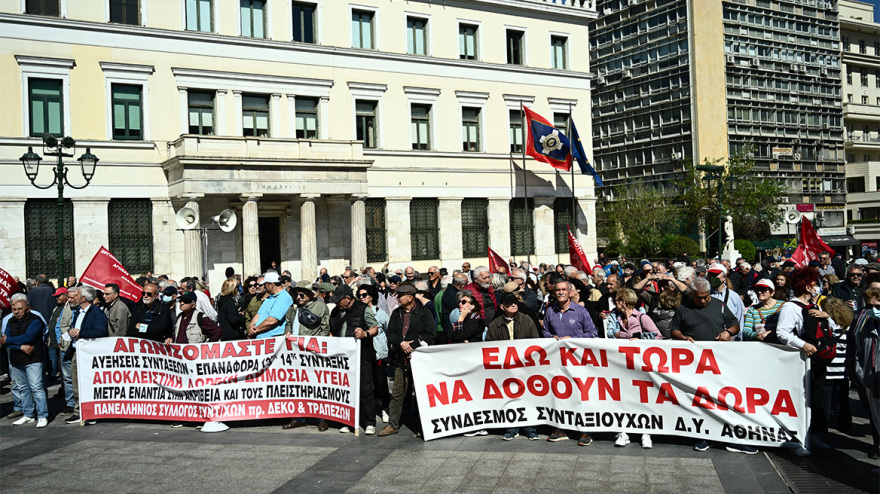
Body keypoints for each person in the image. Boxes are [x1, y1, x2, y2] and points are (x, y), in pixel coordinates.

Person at [670, 278, 755, 454]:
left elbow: (735, 324)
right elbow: (674, 329)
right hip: (696, 363)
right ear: (692, 294)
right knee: (702, 400)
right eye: (699, 298)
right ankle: (705, 436)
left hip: (719, 361)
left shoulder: (719, 305)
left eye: (706, 297)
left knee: (724, 398)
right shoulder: (683, 308)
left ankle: (730, 436)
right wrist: (683, 338)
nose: (703, 301)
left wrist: (728, 332)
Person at [776, 267, 835, 456]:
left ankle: (812, 435)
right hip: (801, 361)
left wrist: (828, 317)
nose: (817, 287)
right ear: (807, 286)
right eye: (815, 284)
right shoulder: (790, 307)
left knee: (814, 399)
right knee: (800, 400)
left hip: (817, 361)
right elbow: (782, 332)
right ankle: (799, 439)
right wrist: (802, 345)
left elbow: (833, 327)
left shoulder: (816, 307)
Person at [543, 279, 598, 445]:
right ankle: (560, 428)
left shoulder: (581, 311)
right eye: (557, 290)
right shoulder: (550, 311)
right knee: (560, 393)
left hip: (578, 361)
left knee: (581, 394)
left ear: (570, 292)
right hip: (558, 362)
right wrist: (550, 337)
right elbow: (544, 330)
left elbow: (593, 334)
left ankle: (585, 431)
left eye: (563, 290)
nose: (560, 292)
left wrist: (572, 339)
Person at [378, 283, 436, 437]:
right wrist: (400, 343)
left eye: (400, 295)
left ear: (410, 297)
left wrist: (413, 344)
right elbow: (390, 333)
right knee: (397, 392)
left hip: (419, 360)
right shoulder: (397, 313)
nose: (397, 298)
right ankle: (393, 424)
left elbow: (431, 334)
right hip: (400, 359)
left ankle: (421, 425)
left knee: (420, 394)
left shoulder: (424, 312)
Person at [606, 288, 661, 450]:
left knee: (643, 398)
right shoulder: (615, 316)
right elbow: (610, 333)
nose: (615, 303)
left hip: (640, 363)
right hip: (621, 362)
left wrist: (639, 338)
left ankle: (645, 433)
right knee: (623, 397)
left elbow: (657, 335)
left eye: (617, 300)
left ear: (624, 302)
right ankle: (624, 432)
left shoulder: (642, 317)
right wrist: (630, 337)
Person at [486, 292, 540, 441]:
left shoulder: (527, 320)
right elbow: (490, 348)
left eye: (515, 302)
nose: (514, 305)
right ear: (502, 307)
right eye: (510, 303)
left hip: (525, 368)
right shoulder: (495, 324)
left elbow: (535, 343)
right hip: (505, 370)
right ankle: (511, 427)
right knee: (509, 398)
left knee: (528, 398)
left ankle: (531, 428)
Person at [328, 285, 379, 435]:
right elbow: (332, 330)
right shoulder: (336, 311)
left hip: (362, 356)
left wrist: (365, 334)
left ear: (348, 299)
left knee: (365, 389)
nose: (337, 303)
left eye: (339, 300)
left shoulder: (363, 309)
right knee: (346, 390)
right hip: (343, 358)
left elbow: (375, 328)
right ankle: (349, 420)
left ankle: (369, 422)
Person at [1, 296, 49, 428]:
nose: (16, 312)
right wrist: (21, 346)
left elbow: (28, 337)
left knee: (36, 387)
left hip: (33, 359)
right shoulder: (10, 321)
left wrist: (10, 341)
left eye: (20, 309)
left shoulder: (36, 320)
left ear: (28, 309)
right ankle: (28, 414)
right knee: (22, 388)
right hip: (17, 359)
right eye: (14, 309)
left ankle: (42, 415)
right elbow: (5, 342)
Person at [64, 286, 109, 425]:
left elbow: (101, 332)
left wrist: (81, 333)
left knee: (88, 384)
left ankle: (90, 412)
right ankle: (79, 411)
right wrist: (72, 331)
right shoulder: (78, 311)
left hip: (89, 354)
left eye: (76, 295)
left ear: (83, 298)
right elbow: (76, 327)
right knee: (76, 384)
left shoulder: (96, 313)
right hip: (76, 351)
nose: (74, 298)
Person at [847, 287, 880, 466]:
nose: (872, 307)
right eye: (869, 303)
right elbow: (855, 344)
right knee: (876, 417)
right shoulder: (862, 319)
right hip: (870, 375)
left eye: (877, 303)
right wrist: (857, 368)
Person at [357, 284, 391, 424]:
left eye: (364, 295)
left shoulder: (380, 313)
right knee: (366, 384)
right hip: (364, 353)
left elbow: (388, 330)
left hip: (379, 353)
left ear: (371, 296)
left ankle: (385, 408)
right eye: (359, 295)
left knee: (381, 382)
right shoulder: (358, 312)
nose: (361, 297)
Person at [48, 286, 75, 414]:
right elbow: (56, 326)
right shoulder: (57, 309)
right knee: (66, 377)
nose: (58, 298)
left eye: (60, 296)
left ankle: (75, 402)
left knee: (71, 377)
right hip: (61, 347)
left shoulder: (74, 308)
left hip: (71, 347)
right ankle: (70, 402)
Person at [247, 272, 293, 339]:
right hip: (260, 339)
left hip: (272, 340)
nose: (264, 287)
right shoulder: (269, 298)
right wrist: (251, 326)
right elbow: (258, 315)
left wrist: (254, 331)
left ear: (271, 285)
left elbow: (272, 321)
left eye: (265, 284)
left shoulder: (284, 297)